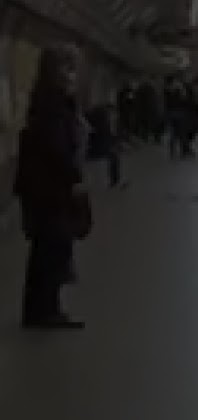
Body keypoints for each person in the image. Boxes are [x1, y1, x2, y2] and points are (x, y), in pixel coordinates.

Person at [13, 43, 89, 329]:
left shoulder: (45, 101)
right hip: (51, 191)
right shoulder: (54, 105)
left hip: (42, 189)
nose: (73, 75)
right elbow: (57, 148)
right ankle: (45, 311)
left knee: (45, 251)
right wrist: (73, 176)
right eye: (68, 68)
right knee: (52, 249)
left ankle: (40, 309)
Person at [86, 101, 123, 188]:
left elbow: (114, 136)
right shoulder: (103, 124)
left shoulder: (108, 123)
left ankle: (115, 180)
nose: (115, 115)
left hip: (103, 145)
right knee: (114, 156)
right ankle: (115, 180)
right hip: (100, 147)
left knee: (114, 156)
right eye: (113, 113)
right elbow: (105, 137)